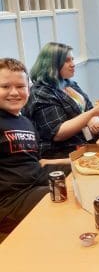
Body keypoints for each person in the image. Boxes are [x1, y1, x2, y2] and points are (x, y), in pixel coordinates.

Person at [0, 58, 70, 237]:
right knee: (66, 195)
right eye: (5, 87)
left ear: (28, 89)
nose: (14, 92)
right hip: (11, 199)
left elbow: (36, 162)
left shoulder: (25, 122)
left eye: (20, 86)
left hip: (35, 181)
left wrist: (72, 162)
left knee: (80, 173)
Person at [22, 42, 99, 159]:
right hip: (60, 153)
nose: (73, 64)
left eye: (72, 59)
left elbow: (89, 108)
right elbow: (58, 133)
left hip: (84, 143)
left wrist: (94, 121)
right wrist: (91, 115)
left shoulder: (69, 83)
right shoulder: (41, 93)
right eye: (67, 61)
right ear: (52, 64)